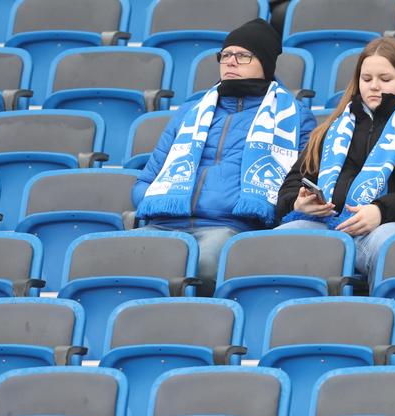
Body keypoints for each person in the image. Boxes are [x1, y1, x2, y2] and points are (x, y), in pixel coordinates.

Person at [132, 18, 317, 295]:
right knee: (114, 258)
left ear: (265, 63)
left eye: (243, 56)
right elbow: (146, 180)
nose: (231, 61)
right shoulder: (190, 112)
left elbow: (296, 183)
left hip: (229, 228)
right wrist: (158, 201)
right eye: (226, 55)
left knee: (206, 264)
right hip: (163, 223)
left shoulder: (294, 117)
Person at [276, 37, 395, 285]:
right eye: (366, 79)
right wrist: (298, 203)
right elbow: (293, 182)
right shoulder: (333, 128)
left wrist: (381, 210)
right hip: (327, 227)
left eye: (385, 79)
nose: (374, 86)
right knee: (275, 241)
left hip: (385, 228)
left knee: (391, 244)